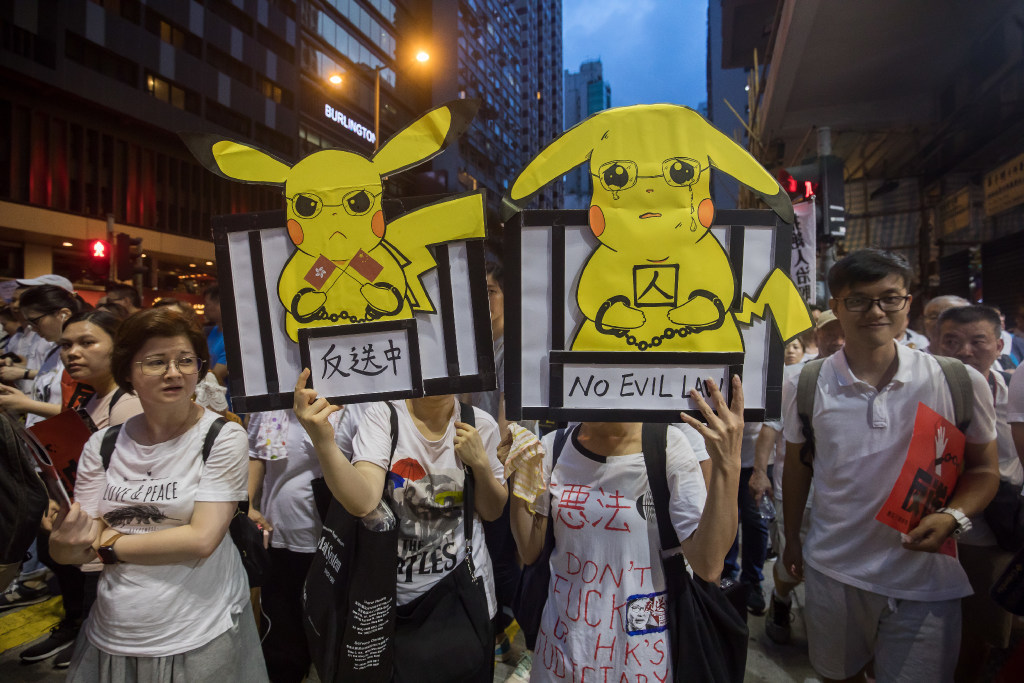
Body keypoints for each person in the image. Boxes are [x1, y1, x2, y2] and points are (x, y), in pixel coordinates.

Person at [782, 249, 998, 683]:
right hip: (834, 569)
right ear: (836, 308)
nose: (875, 311)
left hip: (927, 576)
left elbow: (984, 470)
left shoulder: (958, 380)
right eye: (858, 300)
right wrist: (792, 540)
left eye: (889, 298)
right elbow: (798, 467)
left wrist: (952, 516)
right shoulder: (805, 383)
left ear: (908, 304)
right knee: (837, 676)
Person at [48, 308, 267, 682]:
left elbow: (201, 539)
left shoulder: (221, 437)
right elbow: (71, 550)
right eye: (155, 362)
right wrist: (65, 543)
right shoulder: (103, 445)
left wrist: (107, 546)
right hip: (116, 624)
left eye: (185, 360)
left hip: (198, 626)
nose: (173, 372)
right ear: (128, 372)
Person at [508, 377, 744, 682]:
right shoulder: (554, 446)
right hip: (560, 650)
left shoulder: (669, 446)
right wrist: (520, 477)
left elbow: (709, 565)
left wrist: (729, 464)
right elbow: (529, 551)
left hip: (642, 659)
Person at [293, 375, 508, 677]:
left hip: (464, 598)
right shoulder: (384, 415)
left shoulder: (479, 423)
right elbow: (364, 500)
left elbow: (492, 509)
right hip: (393, 602)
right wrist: (323, 441)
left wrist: (481, 464)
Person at [934, 305, 1021, 682]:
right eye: (952, 342)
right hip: (932, 532)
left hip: (994, 536)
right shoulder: (920, 393)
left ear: (999, 345)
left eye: (977, 341)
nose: (965, 351)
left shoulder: (1014, 393)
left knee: (982, 631)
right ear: (936, 345)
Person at [753, 312, 845, 644]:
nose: (836, 339)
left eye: (842, 331)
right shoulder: (797, 378)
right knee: (794, 560)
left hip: (847, 502)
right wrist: (761, 472)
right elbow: (770, 430)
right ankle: (780, 598)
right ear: (815, 338)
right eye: (828, 333)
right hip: (799, 496)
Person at [246, 407, 343, 683]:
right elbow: (258, 455)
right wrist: (248, 504)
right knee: (282, 639)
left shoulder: (351, 403)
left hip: (335, 542)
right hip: (279, 535)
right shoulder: (273, 405)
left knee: (332, 638)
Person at [0, 285, 83, 426]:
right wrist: (18, 398)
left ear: (64, 314)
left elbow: (83, 411)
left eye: (35, 321)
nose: (32, 328)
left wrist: (27, 404)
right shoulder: (54, 352)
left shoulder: (81, 356)